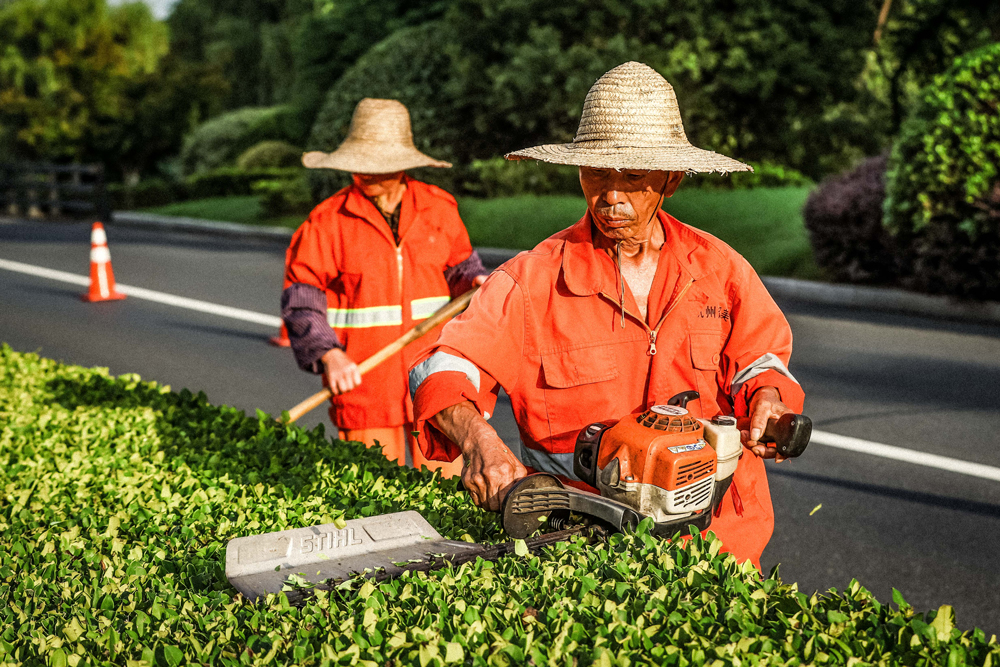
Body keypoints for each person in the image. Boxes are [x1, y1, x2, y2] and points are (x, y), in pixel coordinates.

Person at [407, 62, 805, 567]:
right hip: (583, 548)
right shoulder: (531, 281)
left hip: (723, 545)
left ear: (671, 180)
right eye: (597, 173)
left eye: (633, 177)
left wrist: (767, 396)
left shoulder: (721, 270)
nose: (610, 195)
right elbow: (442, 369)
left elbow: (761, 358)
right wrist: (478, 439)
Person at [282, 98, 488, 477]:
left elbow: (461, 265)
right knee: (372, 499)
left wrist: (474, 280)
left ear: (403, 164)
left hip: (435, 381)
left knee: (446, 498)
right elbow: (302, 298)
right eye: (360, 163)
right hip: (364, 386)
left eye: (379, 165)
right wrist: (329, 355)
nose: (367, 173)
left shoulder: (438, 208)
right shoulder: (327, 222)